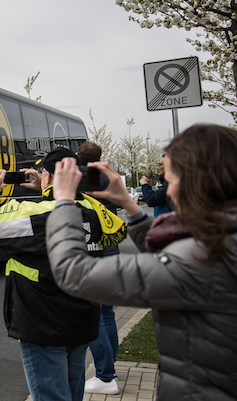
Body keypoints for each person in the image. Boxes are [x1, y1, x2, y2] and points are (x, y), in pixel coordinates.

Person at [45, 123, 237, 401]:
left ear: (197, 181)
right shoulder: (220, 240)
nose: (169, 192)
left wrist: (63, 202)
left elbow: (74, 274)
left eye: (173, 181)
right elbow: (172, 251)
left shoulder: (200, 261)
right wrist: (132, 209)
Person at [0, 148, 127, 401]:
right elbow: (115, 228)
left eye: (43, 172)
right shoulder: (93, 210)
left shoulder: (38, 213)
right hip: (82, 321)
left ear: (50, 177)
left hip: (43, 324)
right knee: (73, 393)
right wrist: (49, 187)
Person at [75, 141, 121, 395]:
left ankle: (105, 375)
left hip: (93, 249)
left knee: (94, 315)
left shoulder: (86, 178)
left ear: (80, 157)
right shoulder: (108, 176)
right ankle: (109, 369)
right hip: (111, 247)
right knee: (107, 313)